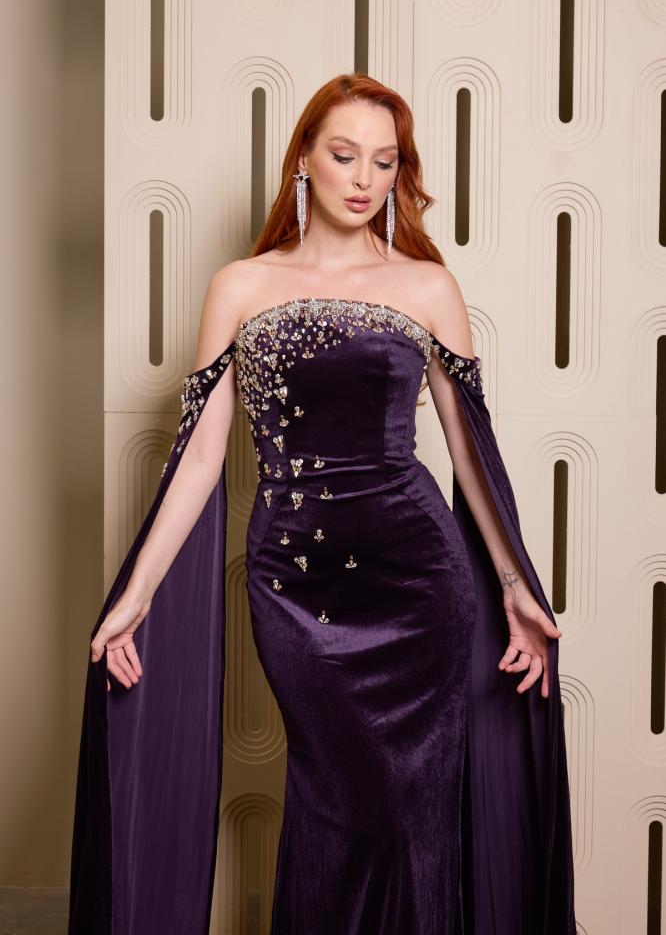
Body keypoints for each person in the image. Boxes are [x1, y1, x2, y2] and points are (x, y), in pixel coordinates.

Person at [67, 73, 577, 934]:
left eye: (385, 161)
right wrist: (138, 594)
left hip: (420, 584)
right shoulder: (240, 286)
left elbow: (468, 452)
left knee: (413, 813)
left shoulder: (429, 286)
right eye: (344, 155)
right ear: (303, 158)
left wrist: (515, 585)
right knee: (336, 800)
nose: (364, 178)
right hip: (295, 590)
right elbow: (200, 456)